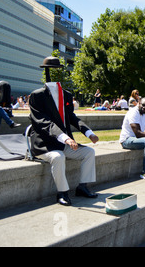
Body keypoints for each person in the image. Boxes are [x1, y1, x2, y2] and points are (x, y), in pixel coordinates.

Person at [29, 57, 99, 206]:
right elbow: (43, 122)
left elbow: (72, 117)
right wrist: (65, 137)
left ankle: (83, 186)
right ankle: (62, 192)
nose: (55, 75)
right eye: (52, 72)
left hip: (63, 143)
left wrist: (89, 133)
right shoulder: (37, 96)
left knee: (89, 152)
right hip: (44, 144)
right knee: (58, 156)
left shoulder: (66, 95)